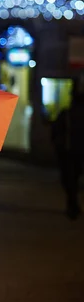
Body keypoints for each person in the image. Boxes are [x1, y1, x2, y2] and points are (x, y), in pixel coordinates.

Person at [51, 78, 84, 220]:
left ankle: (72, 204)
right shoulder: (68, 114)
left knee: (69, 180)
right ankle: (73, 204)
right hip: (78, 152)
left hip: (68, 152)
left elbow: (55, 132)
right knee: (74, 179)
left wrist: (58, 147)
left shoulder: (66, 114)